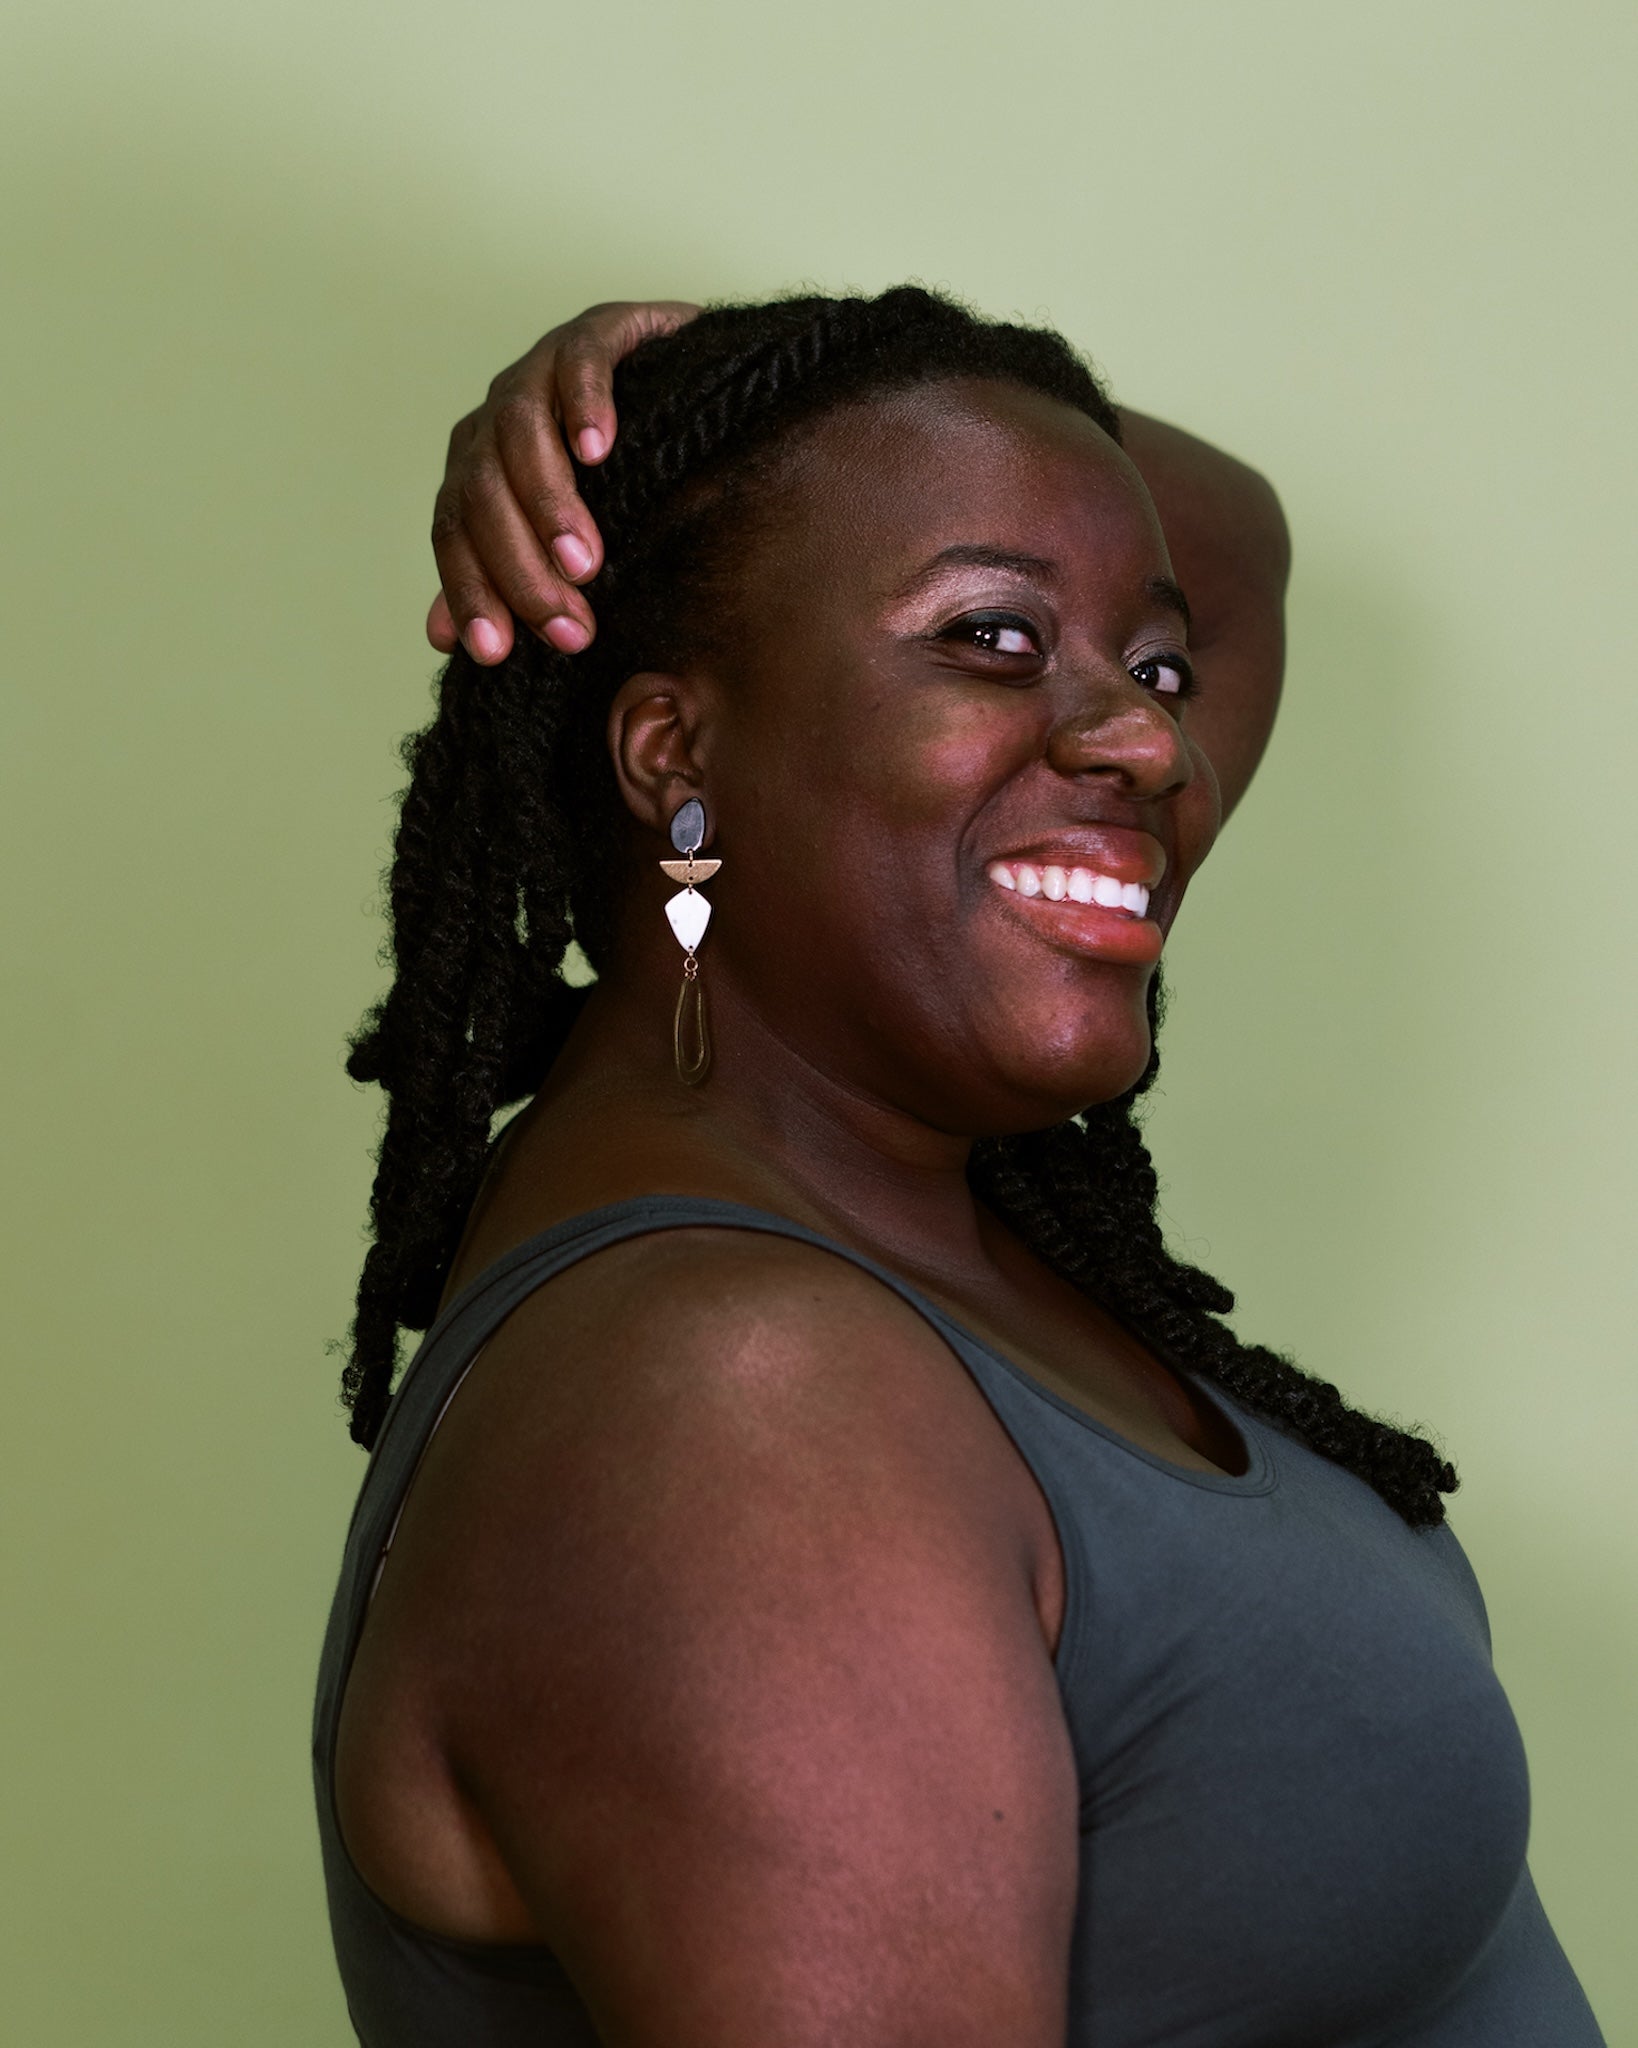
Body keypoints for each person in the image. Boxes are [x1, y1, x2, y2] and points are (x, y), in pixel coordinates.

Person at [313, 288, 1604, 2046]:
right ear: (675, 754)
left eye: (1150, 671)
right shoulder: (737, 1414)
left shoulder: (865, 1190)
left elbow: (1220, 540)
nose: (1145, 739)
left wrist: (701, 394)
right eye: (991, 639)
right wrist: (732, 439)